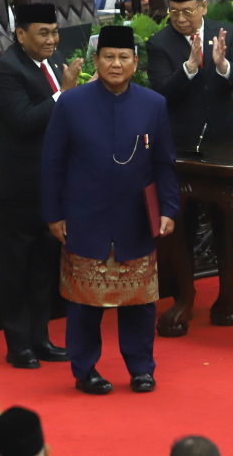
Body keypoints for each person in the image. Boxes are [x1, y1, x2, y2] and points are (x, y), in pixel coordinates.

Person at [41, 25, 179, 395]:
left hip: (136, 218)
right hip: (85, 217)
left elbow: (165, 164)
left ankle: (141, 369)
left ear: (135, 62)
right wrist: (54, 214)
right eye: (108, 57)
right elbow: (52, 164)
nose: (115, 64)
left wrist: (169, 207)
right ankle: (85, 370)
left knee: (140, 302)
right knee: (84, 304)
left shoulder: (154, 104)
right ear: (95, 61)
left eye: (123, 57)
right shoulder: (70, 104)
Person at [145, 0, 233, 316]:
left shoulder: (225, 33)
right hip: (183, 149)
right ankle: (184, 293)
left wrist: (223, 65)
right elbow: (162, 93)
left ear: (203, 7)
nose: (181, 19)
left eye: (187, 12)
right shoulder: (159, 44)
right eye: (174, 12)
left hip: (225, 144)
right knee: (185, 222)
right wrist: (190, 68)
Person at [0, 3, 81, 369]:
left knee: (43, 268)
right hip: (14, 188)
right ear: (20, 34)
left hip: (48, 186)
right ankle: (18, 345)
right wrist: (64, 94)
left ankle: (40, 338)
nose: (52, 40)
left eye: (55, 32)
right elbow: (24, 121)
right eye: (43, 33)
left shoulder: (50, 65)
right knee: (14, 270)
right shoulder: (5, 70)